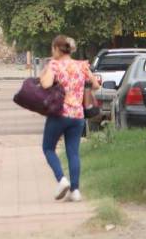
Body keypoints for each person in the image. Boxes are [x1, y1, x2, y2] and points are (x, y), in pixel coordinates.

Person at [39, 35, 100, 202]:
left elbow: (45, 84)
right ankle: (75, 191)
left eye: (53, 49)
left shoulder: (54, 65)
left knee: (48, 148)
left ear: (58, 49)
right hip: (78, 115)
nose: (52, 52)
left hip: (59, 114)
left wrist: (47, 70)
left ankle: (61, 179)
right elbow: (95, 85)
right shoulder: (81, 65)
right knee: (73, 153)